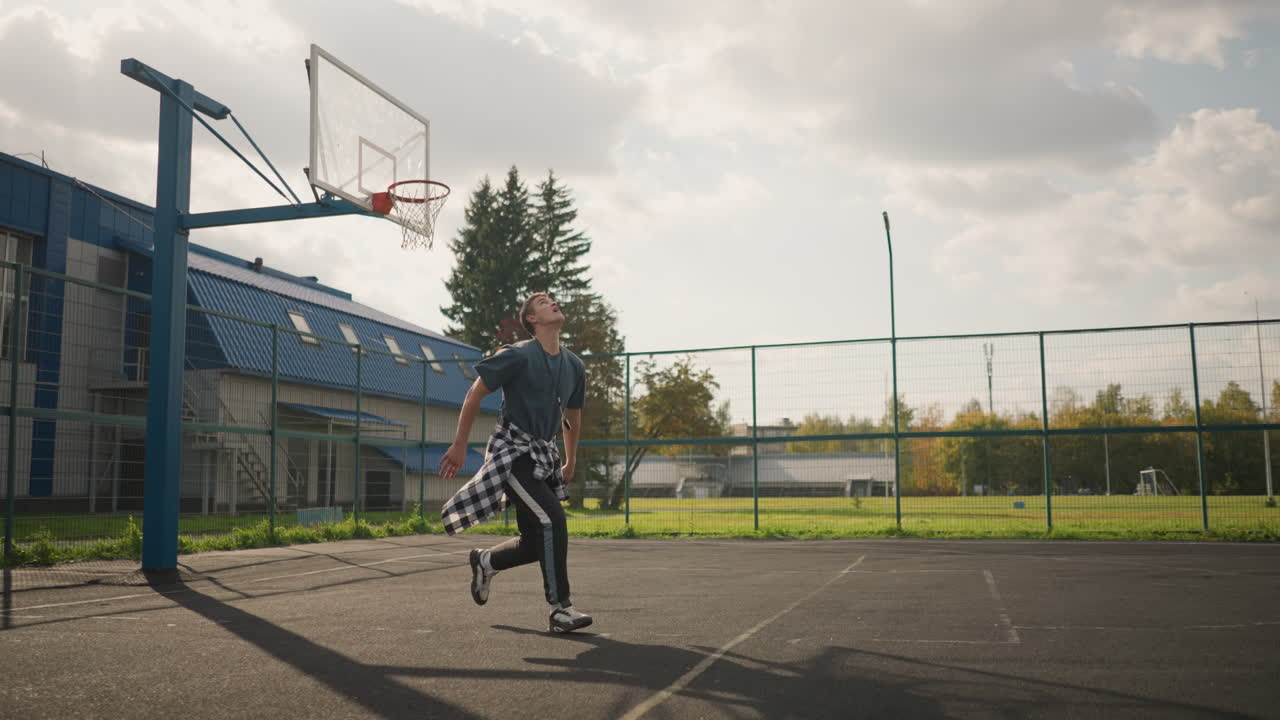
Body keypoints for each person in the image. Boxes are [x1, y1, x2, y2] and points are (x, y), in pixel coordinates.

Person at [438, 292, 592, 633]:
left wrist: (570, 458)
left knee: (537, 541)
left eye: (553, 299)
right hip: (513, 454)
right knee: (553, 519)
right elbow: (475, 392)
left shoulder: (574, 366)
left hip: (542, 456)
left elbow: (573, 416)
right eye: (542, 302)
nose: (552, 302)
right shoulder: (517, 355)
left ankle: (486, 561)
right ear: (532, 320)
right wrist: (460, 444)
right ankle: (560, 609)